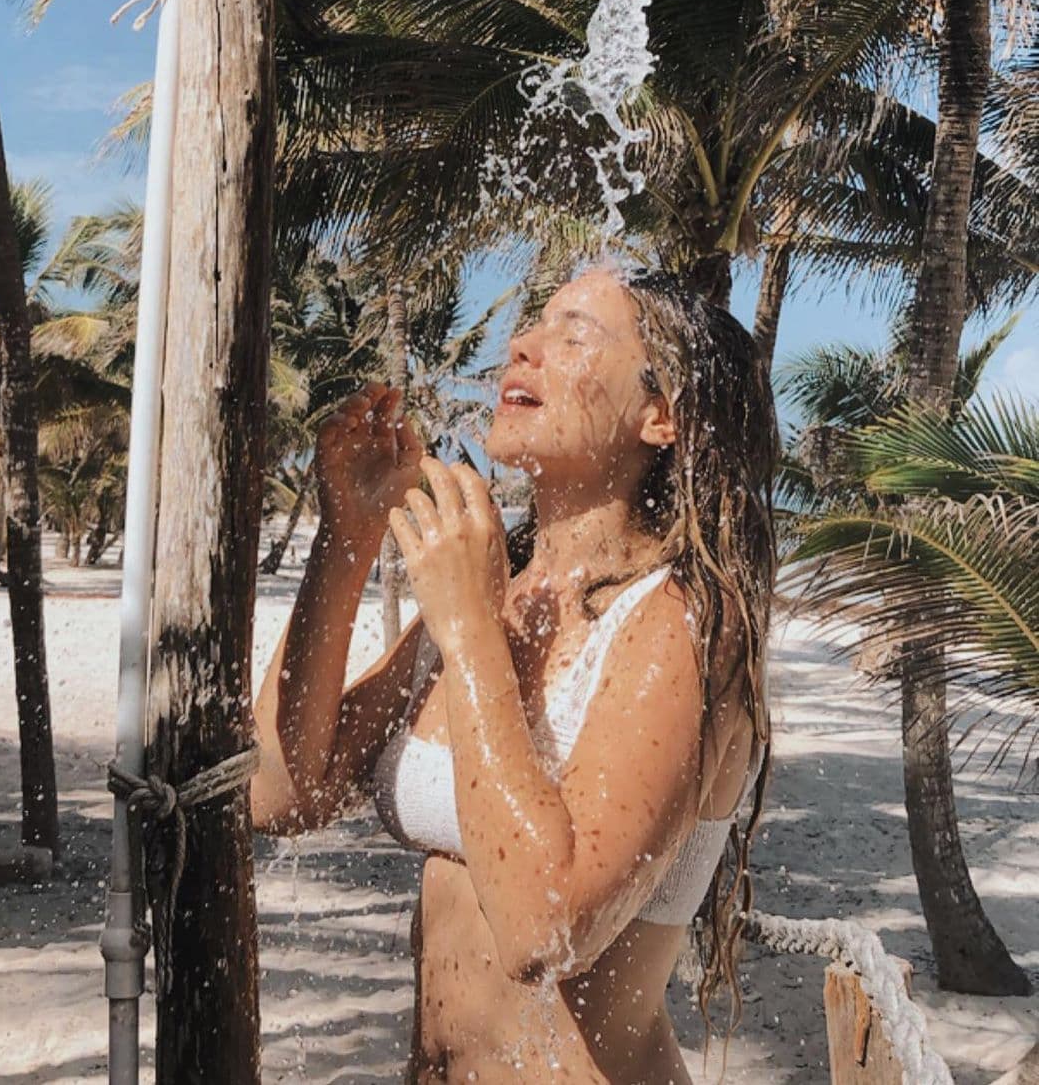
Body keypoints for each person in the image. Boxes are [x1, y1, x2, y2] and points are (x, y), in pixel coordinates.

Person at [251, 265, 778, 1083]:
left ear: (662, 416)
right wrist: (348, 536)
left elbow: (546, 928)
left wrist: (468, 634)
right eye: (534, 323)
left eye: (575, 334)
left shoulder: (680, 624)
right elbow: (283, 793)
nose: (523, 347)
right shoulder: (499, 589)